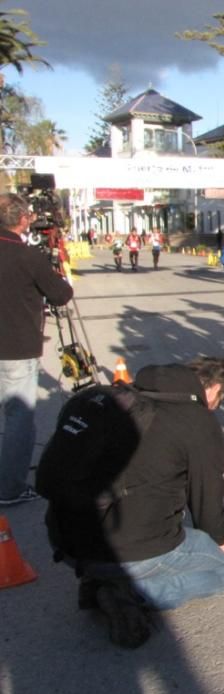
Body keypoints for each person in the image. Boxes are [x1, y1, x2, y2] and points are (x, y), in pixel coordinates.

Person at [36, 357, 224, 648]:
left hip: (63, 539)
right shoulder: (198, 421)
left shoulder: (110, 398)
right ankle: (129, 593)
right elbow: (206, 505)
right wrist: (221, 541)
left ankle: (100, 579)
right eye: (218, 400)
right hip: (126, 553)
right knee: (219, 572)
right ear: (214, 389)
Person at [0, 193, 74, 505]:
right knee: (18, 417)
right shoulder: (27, 256)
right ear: (22, 219)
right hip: (15, 348)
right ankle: (10, 488)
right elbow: (60, 295)